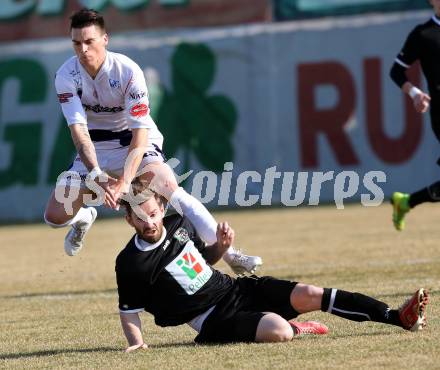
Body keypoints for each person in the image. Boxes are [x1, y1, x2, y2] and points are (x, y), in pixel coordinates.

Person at [42, 8, 262, 275]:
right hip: (96, 148)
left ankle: (230, 255)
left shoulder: (128, 72)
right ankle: (84, 217)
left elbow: (140, 137)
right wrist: (98, 174)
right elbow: (79, 134)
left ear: (105, 39)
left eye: (89, 41)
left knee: (168, 185)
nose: (83, 49)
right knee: (54, 216)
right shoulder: (66, 75)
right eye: (77, 43)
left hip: (133, 143)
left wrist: (124, 181)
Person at [115, 181, 429, 351]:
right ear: (129, 219)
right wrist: (138, 344)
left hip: (236, 290)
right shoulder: (131, 263)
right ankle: (294, 326)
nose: (149, 222)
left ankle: (397, 317)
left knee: (311, 293)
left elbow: (201, 262)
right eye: (140, 217)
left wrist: (221, 247)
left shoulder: (178, 224)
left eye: (153, 213)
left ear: (162, 208)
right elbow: (128, 310)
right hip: (212, 319)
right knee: (279, 331)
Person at [389, 0, 440, 231]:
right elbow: (396, 71)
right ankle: (406, 202)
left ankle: (406, 202)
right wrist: (415, 93)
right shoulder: (423, 34)